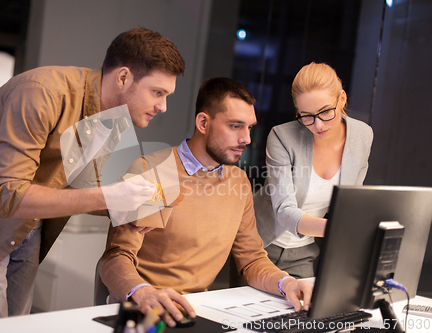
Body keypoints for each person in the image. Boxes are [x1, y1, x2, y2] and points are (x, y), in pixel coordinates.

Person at [0, 27, 185, 322]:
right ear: (124, 77)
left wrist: (132, 206)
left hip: (28, 220)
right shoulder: (41, 92)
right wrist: (110, 197)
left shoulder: (114, 117)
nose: (163, 106)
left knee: (17, 325)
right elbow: (7, 195)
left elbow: (90, 188)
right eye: (158, 92)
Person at [99, 77, 313, 328]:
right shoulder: (152, 171)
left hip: (197, 312)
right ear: (203, 122)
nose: (246, 139)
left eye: (250, 128)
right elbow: (116, 257)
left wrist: (287, 283)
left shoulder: (239, 181)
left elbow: (252, 259)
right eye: (235, 126)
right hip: (144, 310)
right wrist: (143, 292)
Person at [253, 62, 373, 278]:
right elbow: (284, 210)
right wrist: (335, 228)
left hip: (304, 252)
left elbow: (351, 203)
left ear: (342, 99)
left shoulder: (362, 136)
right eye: (306, 115)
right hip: (258, 247)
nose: (318, 125)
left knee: (306, 309)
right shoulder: (282, 137)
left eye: (325, 111)